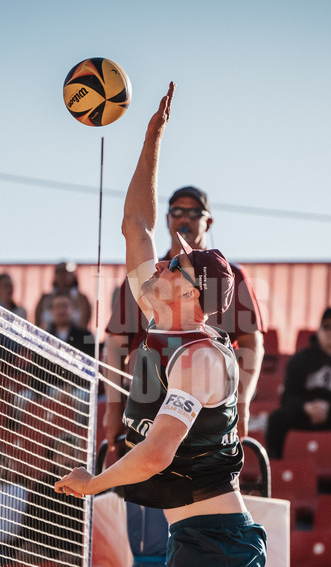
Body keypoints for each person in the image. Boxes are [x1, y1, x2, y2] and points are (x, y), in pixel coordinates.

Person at [55, 83, 276, 567]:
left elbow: (154, 456)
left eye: (175, 263)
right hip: (206, 538)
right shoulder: (163, 318)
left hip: (211, 542)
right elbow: (134, 221)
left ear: (191, 291)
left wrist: (95, 483)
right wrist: (151, 137)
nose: (162, 261)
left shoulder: (200, 355)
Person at [101, 187, 265, 446]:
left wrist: (241, 404)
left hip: (205, 413)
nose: (184, 219)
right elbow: (115, 344)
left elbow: (251, 344)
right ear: (167, 219)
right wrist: (112, 406)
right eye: (177, 211)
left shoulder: (230, 277)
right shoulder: (154, 277)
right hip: (147, 405)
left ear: (208, 222)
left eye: (193, 212)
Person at [265, 307, 331, 459]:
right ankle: (275, 467)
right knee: (277, 418)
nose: (330, 332)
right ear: (319, 329)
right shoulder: (300, 359)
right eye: (326, 327)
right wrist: (305, 407)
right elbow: (287, 397)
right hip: (305, 413)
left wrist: (330, 408)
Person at [34, 261, 92, 331]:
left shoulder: (82, 299)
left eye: (66, 272)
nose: (62, 276)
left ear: (73, 275)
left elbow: (84, 325)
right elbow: (38, 324)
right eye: (59, 272)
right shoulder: (45, 298)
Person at [46, 292, 95, 357]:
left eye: (65, 306)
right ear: (51, 311)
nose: (61, 311)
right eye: (57, 307)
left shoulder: (88, 335)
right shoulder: (45, 337)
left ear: (73, 309)